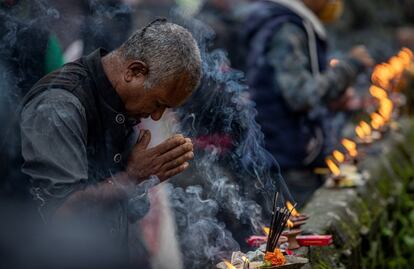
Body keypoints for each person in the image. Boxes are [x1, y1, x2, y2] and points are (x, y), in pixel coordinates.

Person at [20, 19, 202, 268]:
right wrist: (132, 177)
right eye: (158, 103)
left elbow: (128, 210)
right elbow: (61, 214)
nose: (156, 116)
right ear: (134, 71)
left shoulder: (120, 104)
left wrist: (139, 179)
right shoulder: (60, 106)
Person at [241, 0, 374, 206]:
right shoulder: (286, 29)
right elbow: (301, 96)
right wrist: (349, 68)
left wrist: (333, 101)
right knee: (298, 235)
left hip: (286, 158)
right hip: (286, 163)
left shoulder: (288, 23)